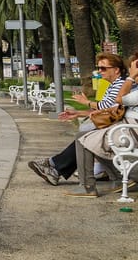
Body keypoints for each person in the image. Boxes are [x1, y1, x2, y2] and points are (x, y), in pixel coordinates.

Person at [28, 53, 132, 187]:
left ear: (116, 70)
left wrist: (86, 102)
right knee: (85, 133)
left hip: (119, 126)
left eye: (103, 68)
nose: (100, 71)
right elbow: (105, 111)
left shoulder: (121, 84)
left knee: (85, 136)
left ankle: (55, 167)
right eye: (98, 68)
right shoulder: (114, 84)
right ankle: (54, 166)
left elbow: (109, 107)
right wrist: (78, 113)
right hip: (115, 124)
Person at [66, 55, 138, 197]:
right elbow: (116, 106)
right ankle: (118, 178)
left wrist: (131, 77)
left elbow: (119, 99)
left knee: (84, 138)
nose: (100, 71)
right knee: (92, 138)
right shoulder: (133, 87)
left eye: (133, 68)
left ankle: (87, 186)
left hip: (131, 131)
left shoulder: (131, 85)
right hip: (126, 128)